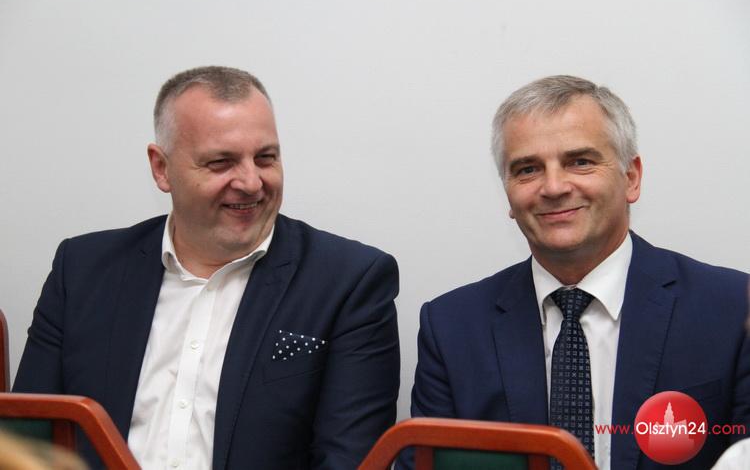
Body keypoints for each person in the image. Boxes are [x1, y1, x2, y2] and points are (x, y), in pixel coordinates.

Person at [14, 66, 400, 470]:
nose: (251, 182)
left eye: (265, 158)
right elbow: (28, 443)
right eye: (221, 162)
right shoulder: (81, 271)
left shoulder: (349, 282)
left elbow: (347, 460)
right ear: (161, 168)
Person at [403, 75, 749, 469]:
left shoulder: (732, 310)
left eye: (580, 162)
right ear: (508, 195)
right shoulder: (452, 328)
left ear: (631, 177)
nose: (553, 187)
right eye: (528, 169)